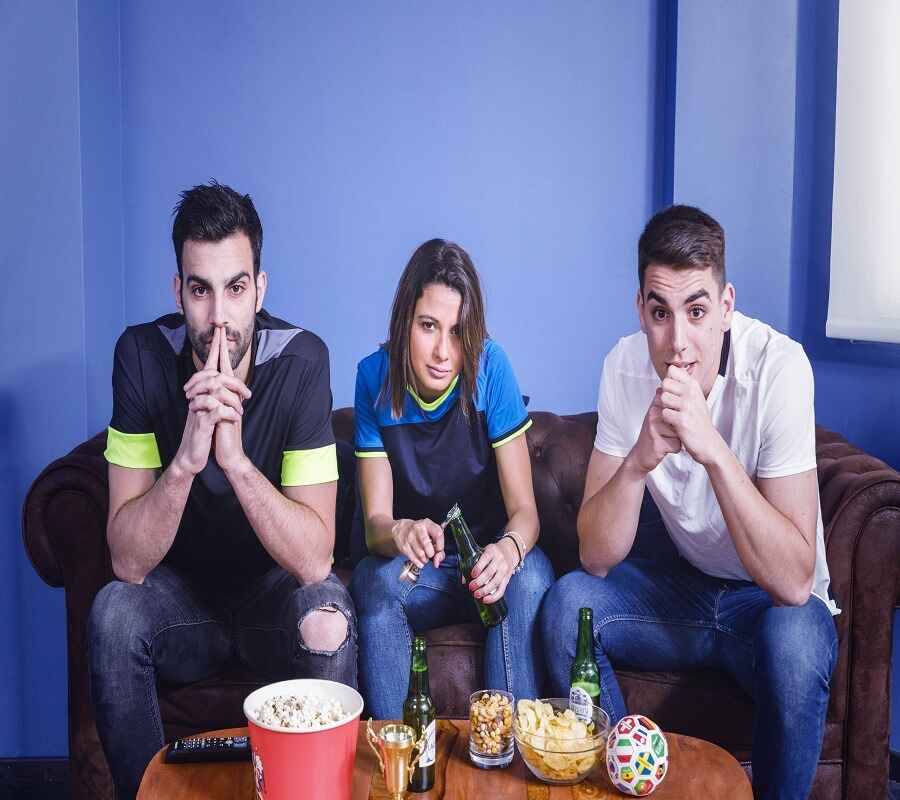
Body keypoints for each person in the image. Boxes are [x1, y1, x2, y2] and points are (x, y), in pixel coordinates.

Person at [540, 205, 838, 800]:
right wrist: (638, 462)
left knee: (798, 644)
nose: (679, 342)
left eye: (697, 311)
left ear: (726, 307)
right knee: (568, 605)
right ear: (640, 311)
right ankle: (628, 784)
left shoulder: (779, 369)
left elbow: (794, 582)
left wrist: (715, 453)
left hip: (767, 607)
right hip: (681, 591)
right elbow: (595, 559)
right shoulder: (624, 368)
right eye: (660, 313)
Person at [88, 182, 356, 799]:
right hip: (180, 603)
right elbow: (127, 560)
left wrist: (234, 461)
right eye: (200, 290)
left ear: (260, 290)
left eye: (235, 289)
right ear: (177, 290)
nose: (217, 318)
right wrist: (185, 460)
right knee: (111, 614)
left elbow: (315, 559)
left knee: (330, 616)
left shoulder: (301, 360)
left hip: (270, 600)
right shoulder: (141, 356)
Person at [349, 239, 555, 717]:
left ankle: (509, 757)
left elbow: (526, 513)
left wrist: (507, 552)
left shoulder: (492, 368)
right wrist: (400, 530)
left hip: (496, 565)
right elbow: (376, 525)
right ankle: (400, 757)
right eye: (428, 327)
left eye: (459, 332)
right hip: (426, 574)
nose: (444, 351)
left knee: (531, 578)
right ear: (405, 322)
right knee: (372, 582)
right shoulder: (372, 379)